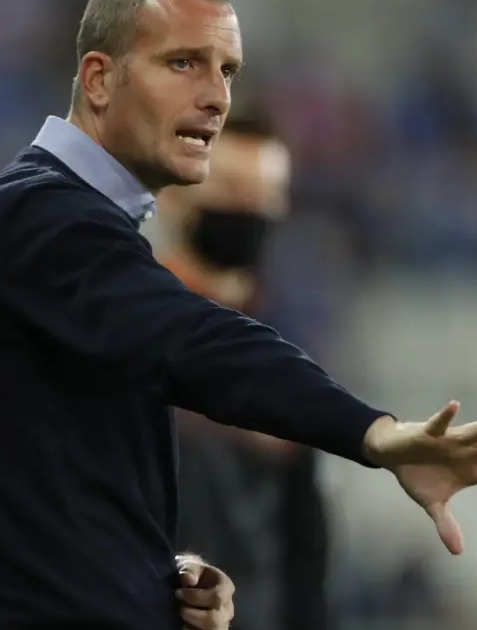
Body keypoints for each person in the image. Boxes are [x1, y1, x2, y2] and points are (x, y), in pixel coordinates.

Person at [0, 1, 477, 629]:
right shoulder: (35, 214)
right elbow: (197, 340)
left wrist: (164, 583)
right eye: (183, 63)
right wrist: (372, 432)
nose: (217, 96)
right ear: (99, 78)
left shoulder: (69, 236)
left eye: (228, 71)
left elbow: (57, 500)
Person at [156, 112, 335, 630]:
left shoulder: (287, 359)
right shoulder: (118, 331)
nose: (248, 211)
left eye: (265, 197)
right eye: (232, 190)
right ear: (174, 196)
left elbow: (304, 547)